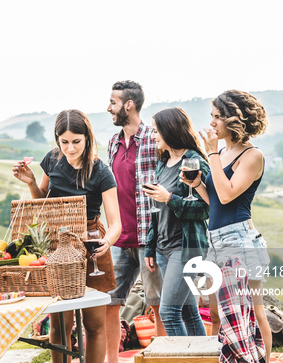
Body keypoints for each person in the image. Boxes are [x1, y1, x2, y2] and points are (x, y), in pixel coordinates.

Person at [13, 109, 121, 363]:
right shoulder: (52, 160)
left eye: (76, 142)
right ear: (57, 139)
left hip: (91, 246)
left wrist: (108, 241)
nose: (70, 149)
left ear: (87, 138)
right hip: (57, 245)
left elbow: (116, 223)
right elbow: (42, 205)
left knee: (94, 325)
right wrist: (30, 183)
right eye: (64, 142)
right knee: (60, 325)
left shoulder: (101, 171)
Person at [186, 90, 272, 357]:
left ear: (236, 120)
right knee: (220, 313)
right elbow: (216, 202)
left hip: (240, 242)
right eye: (211, 116)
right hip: (218, 240)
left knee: (254, 311)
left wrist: (210, 154)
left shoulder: (251, 156)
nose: (211, 123)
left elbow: (227, 193)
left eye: (217, 117)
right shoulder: (222, 152)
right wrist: (197, 184)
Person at [106, 80, 165, 351]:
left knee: (158, 301)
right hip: (119, 237)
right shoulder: (113, 144)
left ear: (129, 105)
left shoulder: (154, 140)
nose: (109, 108)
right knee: (111, 301)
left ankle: (164, 354)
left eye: (113, 102)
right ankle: (111, 358)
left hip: (148, 237)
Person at [142, 107, 209, 336]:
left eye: (155, 131)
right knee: (189, 313)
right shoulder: (163, 163)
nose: (153, 136)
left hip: (185, 249)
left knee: (168, 313)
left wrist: (170, 198)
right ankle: (203, 360)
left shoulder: (194, 162)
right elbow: (156, 211)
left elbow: (205, 208)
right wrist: (151, 247)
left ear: (169, 130)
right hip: (163, 249)